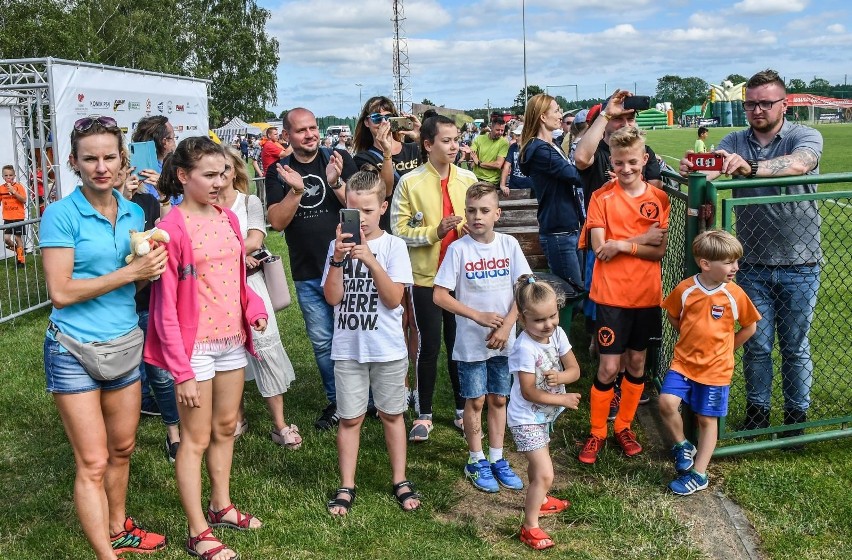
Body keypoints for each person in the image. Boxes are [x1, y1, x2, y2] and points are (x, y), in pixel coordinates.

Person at [40, 115, 168, 559]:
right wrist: (130, 272)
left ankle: (119, 529)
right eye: (90, 158)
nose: (101, 166)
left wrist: (148, 272)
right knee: (92, 462)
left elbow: (129, 286)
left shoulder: (134, 211)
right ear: (74, 162)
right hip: (73, 349)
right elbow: (61, 292)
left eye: (109, 157)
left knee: (123, 447)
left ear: (122, 160)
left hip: (124, 343)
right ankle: (106, 555)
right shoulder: (60, 214)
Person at [679, 68, 823, 435]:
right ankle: (758, 412)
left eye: (765, 103)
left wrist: (752, 167)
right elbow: (712, 170)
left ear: (784, 104)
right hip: (752, 263)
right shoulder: (734, 139)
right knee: (756, 345)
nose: (757, 110)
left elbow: (800, 163)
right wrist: (695, 170)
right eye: (751, 104)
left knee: (794, 345)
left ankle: (795, 418)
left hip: (800, 260)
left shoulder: (804, 134)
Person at [145, 136, 267, 560]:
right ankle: (197, 531)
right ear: (183, 176)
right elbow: (162, 307)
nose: (221, 182)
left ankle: (221, 506)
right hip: (193, 348)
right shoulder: (171, 228)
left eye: (225, 173)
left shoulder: (228, 219)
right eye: (210, 175)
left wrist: (252, 309)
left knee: (226, 426)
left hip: (232, 341)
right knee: (194, 440)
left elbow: (235, 276)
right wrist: (180, 370)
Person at [321, 167, 421, 516]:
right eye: (352, 210)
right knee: (350, 418)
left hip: (388, 348)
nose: (360, 218)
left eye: (367, 210)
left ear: (383, 207)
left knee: (392, 414)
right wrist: (338, 258)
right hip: (349, 348)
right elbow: (332, 298)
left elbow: (394, 299)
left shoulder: (393, 246)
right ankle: (346, 484)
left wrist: (370, 259)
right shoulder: (336, 248)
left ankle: (400, 479)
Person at [577, 126, 670, 465]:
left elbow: (657, 253)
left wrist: (624, 244)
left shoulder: (658, 199)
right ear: (611, 164)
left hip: (645, 296)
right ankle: (597, 431)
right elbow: (601, 249)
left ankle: (624, 427)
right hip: (611, 296)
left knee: (636, 363)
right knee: (608, 367)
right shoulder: (601, 197)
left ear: (644, 159)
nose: (626, 169)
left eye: (632, 162)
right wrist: (639, 240)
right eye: (619, 163)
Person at [433, 182, 531, 493]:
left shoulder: (509, 245)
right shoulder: (457, 249)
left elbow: (524, 288)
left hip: (504, 342)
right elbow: (439, 296)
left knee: (499, 398)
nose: (477, 217)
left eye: (485, 211)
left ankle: (497, 458)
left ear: (497, 214)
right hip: (471, 343)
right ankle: (476, 459)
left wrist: (506, 326)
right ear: (464, 213)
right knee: (474, 400)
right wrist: (477, 316)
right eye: (471, 211)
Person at [266, 107, 358, 430]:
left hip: (346, 265)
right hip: (307, 272)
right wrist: (296, 191)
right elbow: (276, 222)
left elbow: (361, 208)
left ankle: (364, 398)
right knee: (322, 341)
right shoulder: (279, 170)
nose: (310, 134)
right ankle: (339, 402)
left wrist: (334, 184)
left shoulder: (337, 158)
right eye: (301, 130)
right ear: (287, 135)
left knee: (352, 334)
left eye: (314, 128)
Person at [390, 114, 477, 441]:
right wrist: (434, 232)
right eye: (446, 140)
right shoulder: (410, 182)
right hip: (425, 278)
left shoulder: (467, 179)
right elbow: (398, 230)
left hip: (462, 279)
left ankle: (460, 409)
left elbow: (479, 219)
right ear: (428, 145)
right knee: (427, 346)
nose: (454, 146)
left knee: (460, 345)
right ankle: (423, 413)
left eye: (456, 139)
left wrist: (474, 228)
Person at [574, 92, 664, 405]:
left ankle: (625, 389)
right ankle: (609, 383)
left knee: (633, 344)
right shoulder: (598, 147)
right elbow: (581, 159)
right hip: (605, 255)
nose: (623, 123)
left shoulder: (643, 153)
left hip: (636, 263)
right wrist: (604, 114)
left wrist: (625, 240)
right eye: (618, 117)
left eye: (629, 118)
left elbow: (654, 207)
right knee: (606, 326)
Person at [659, 230, 760, 495]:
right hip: (683, 363)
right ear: (705, 264)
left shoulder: (735, 295)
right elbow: (672, 314)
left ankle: (699, 473)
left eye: (736, 261)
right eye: (728, 262)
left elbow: (750, 327)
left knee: (706, 419)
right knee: (666, 403)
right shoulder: (686, 289)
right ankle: (682, 445)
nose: (735, 267)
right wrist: (688, 335)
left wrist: (726, 350)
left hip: (716, 370)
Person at [218, 147, 300, 448]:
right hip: (216, 290)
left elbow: (256, 238)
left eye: (225, 168)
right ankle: (235, 416)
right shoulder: (202, 204)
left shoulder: (249, 201)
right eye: (213, 170)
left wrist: (228, 256)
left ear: (235, 170)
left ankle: (279, 425)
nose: (220, 176)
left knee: (265, 347)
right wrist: (239, 257)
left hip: (252, 287)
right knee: (227, 351)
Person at [508, 274, 581, 551]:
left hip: (542, 416)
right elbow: (528, 392)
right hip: (525, 418)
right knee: (545, 474)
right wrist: (560, 399)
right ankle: (529, 526)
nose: (548, 324)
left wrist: (561, 379)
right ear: (522, 319)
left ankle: (539, 500)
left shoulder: (557, 334)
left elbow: (574, 370)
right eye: (539, 320)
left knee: (539, 466)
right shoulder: (524, 348)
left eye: (552, 316)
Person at [119, 163, 182, 462]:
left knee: (160, 372)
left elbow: (167, 234)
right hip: (115, 304)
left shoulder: (147, 202)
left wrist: (164, 197)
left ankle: (174, 434)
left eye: (120, 167)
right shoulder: (107, 207)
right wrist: (122, 195)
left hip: (149, 299)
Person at [518, 94, 585, 287]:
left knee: (578, 288)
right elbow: (575, 176)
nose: (560, 115)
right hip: (559, 230)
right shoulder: (540, 150)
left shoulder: (550, 146)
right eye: (556, 111)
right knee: (570, 291)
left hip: (568, 226)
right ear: (542, 117)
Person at [352, 96, 421, 231]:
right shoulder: (363, 158)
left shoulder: (412, 148)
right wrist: (387, 153)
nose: (384, 122)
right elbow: (386, 190)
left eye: (389, 117)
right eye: (377, 118)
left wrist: (421, 138)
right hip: (389, 224)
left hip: (417, 221)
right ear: (367, 122)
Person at [130, 115, 178, 209]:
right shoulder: (170, 172)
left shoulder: (131, 168)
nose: (174, 143)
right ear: (165, 142)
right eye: (173, 138)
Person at [470, 118, 509, 187]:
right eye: (497, 130)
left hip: (491, 181)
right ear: (491, 127)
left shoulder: (504, 143)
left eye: (502, 130)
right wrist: (467, 153)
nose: (500, 132)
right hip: (476, 178)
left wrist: (479, 163)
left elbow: (498, 164)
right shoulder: (479, 139)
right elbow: (472, 155)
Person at [1, 164, 27, 266]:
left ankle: (21, 260)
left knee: (17, 238)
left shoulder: (19, 186)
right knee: (7, 239)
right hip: (7, 217)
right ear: (3, 177)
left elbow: (24, 200)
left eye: (10, 175)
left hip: (18, 217)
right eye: (6, 175)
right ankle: (18, 250)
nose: (8, 178)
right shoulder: (1, 188)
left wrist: (14, 191)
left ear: (14, 176)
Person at [499, 125, 533, 194]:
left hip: (531, 188)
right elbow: (506, 166)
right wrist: (502, 185)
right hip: (514, 187)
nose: (516, 138)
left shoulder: (533, 147)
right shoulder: (513, 147)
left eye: (518, 135)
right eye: (516, 135)